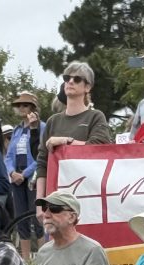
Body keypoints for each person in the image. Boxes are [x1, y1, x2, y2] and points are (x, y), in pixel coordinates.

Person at [36, 62, 113, 203]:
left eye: (77, 79)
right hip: (55, 197)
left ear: (87, 87)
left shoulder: (95, 116)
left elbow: (100, 149)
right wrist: (40, 202)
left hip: (89, 194)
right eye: (67, 78)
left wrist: (65, 141)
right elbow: (42, 162)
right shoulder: (53, 121)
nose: (70, 81)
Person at [6, 91, 46, 259]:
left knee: (37, 215)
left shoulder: (42, 127)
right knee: (20, 217)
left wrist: (26, 173)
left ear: (33, 108)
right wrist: (12, 172)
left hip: (33, 176)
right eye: (19, 105)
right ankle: (25, 260)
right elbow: (8, 155)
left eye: (25, 105)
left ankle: (44, 257)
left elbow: (41, 155)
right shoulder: (16, 130)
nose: (21, 108)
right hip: (17, 178)